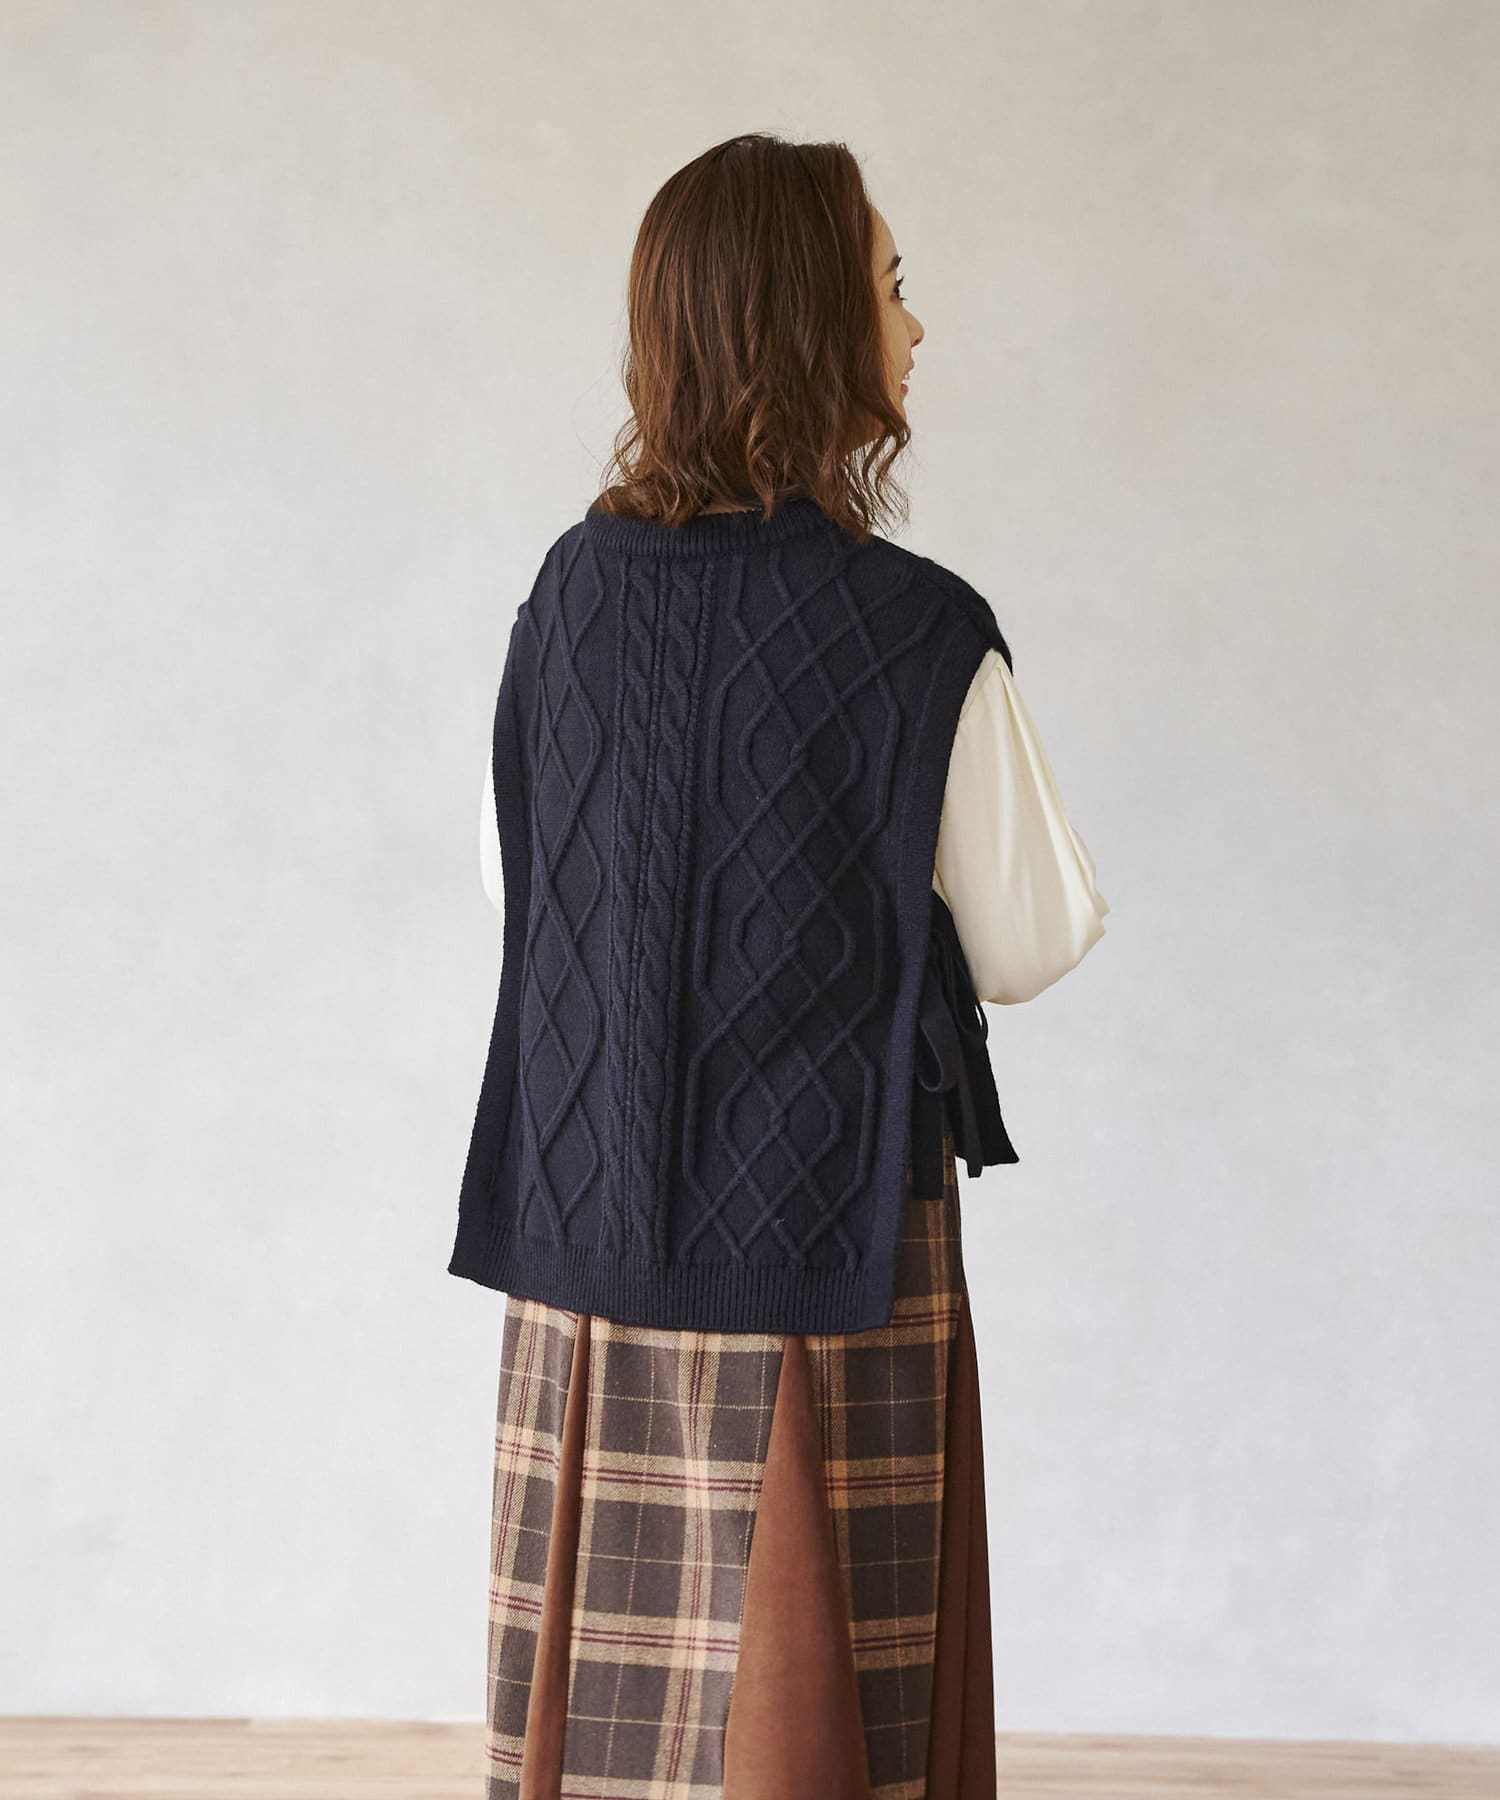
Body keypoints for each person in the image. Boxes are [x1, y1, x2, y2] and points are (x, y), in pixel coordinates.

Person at [450, 132, 1109, 1800]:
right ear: (811, 322)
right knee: (822, 1717)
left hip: (587, 1246)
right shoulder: (919, 630)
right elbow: (1034, 938)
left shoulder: (565, 595)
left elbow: (522, 889)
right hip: (827, 1244)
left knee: (602, 1720)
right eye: (891, 285)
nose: (916, 324)